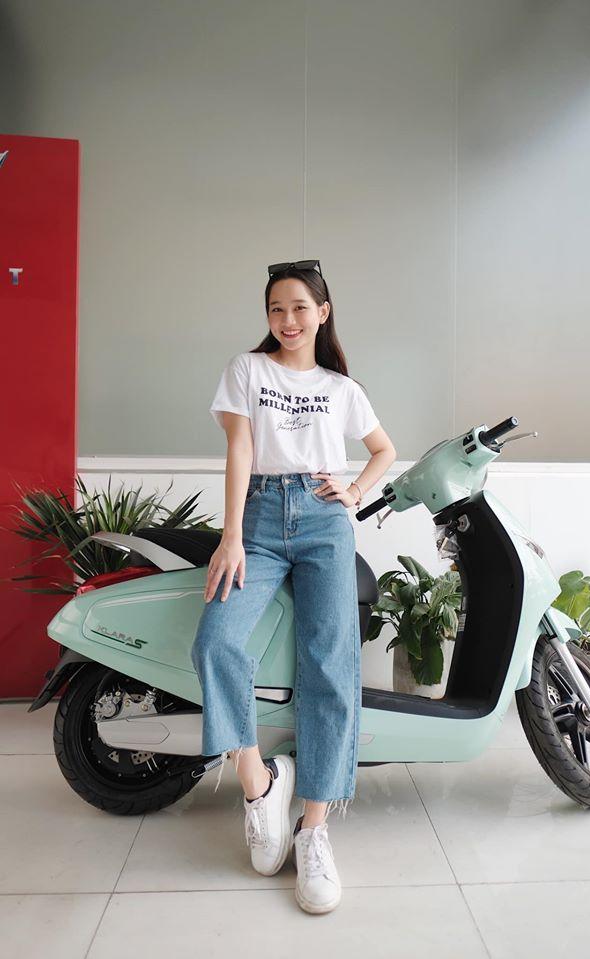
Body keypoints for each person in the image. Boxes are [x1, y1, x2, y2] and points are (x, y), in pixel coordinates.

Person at [190, 259, 396, 914]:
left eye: (300, 307)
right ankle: (258, 784)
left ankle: (314, 829)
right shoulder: (248, 370)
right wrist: (231, 536)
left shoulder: (342, 387)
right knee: (217, 640)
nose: (288, 319)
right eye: (276, 308)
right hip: (258, 516)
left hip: (325, 523)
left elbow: (385, 449)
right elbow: (240, 450)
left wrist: (355, 490)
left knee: (330, 665)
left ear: (323, 312)